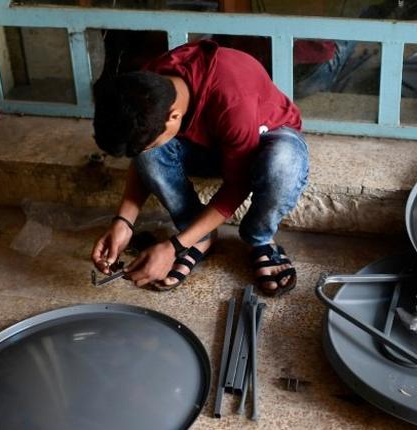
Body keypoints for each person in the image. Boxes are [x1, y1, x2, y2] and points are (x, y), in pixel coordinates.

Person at [90, 39, 309, 297]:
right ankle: (199, 235)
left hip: (263, 140)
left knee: (284, 163)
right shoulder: (149, 83)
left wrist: (173, 247)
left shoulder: (231, 99)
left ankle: (259, 238)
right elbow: (141, 155)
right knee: (149, 154)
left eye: (148, 144)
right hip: (210, 144)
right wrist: (123, 222)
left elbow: (237, 185)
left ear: (173, 117)